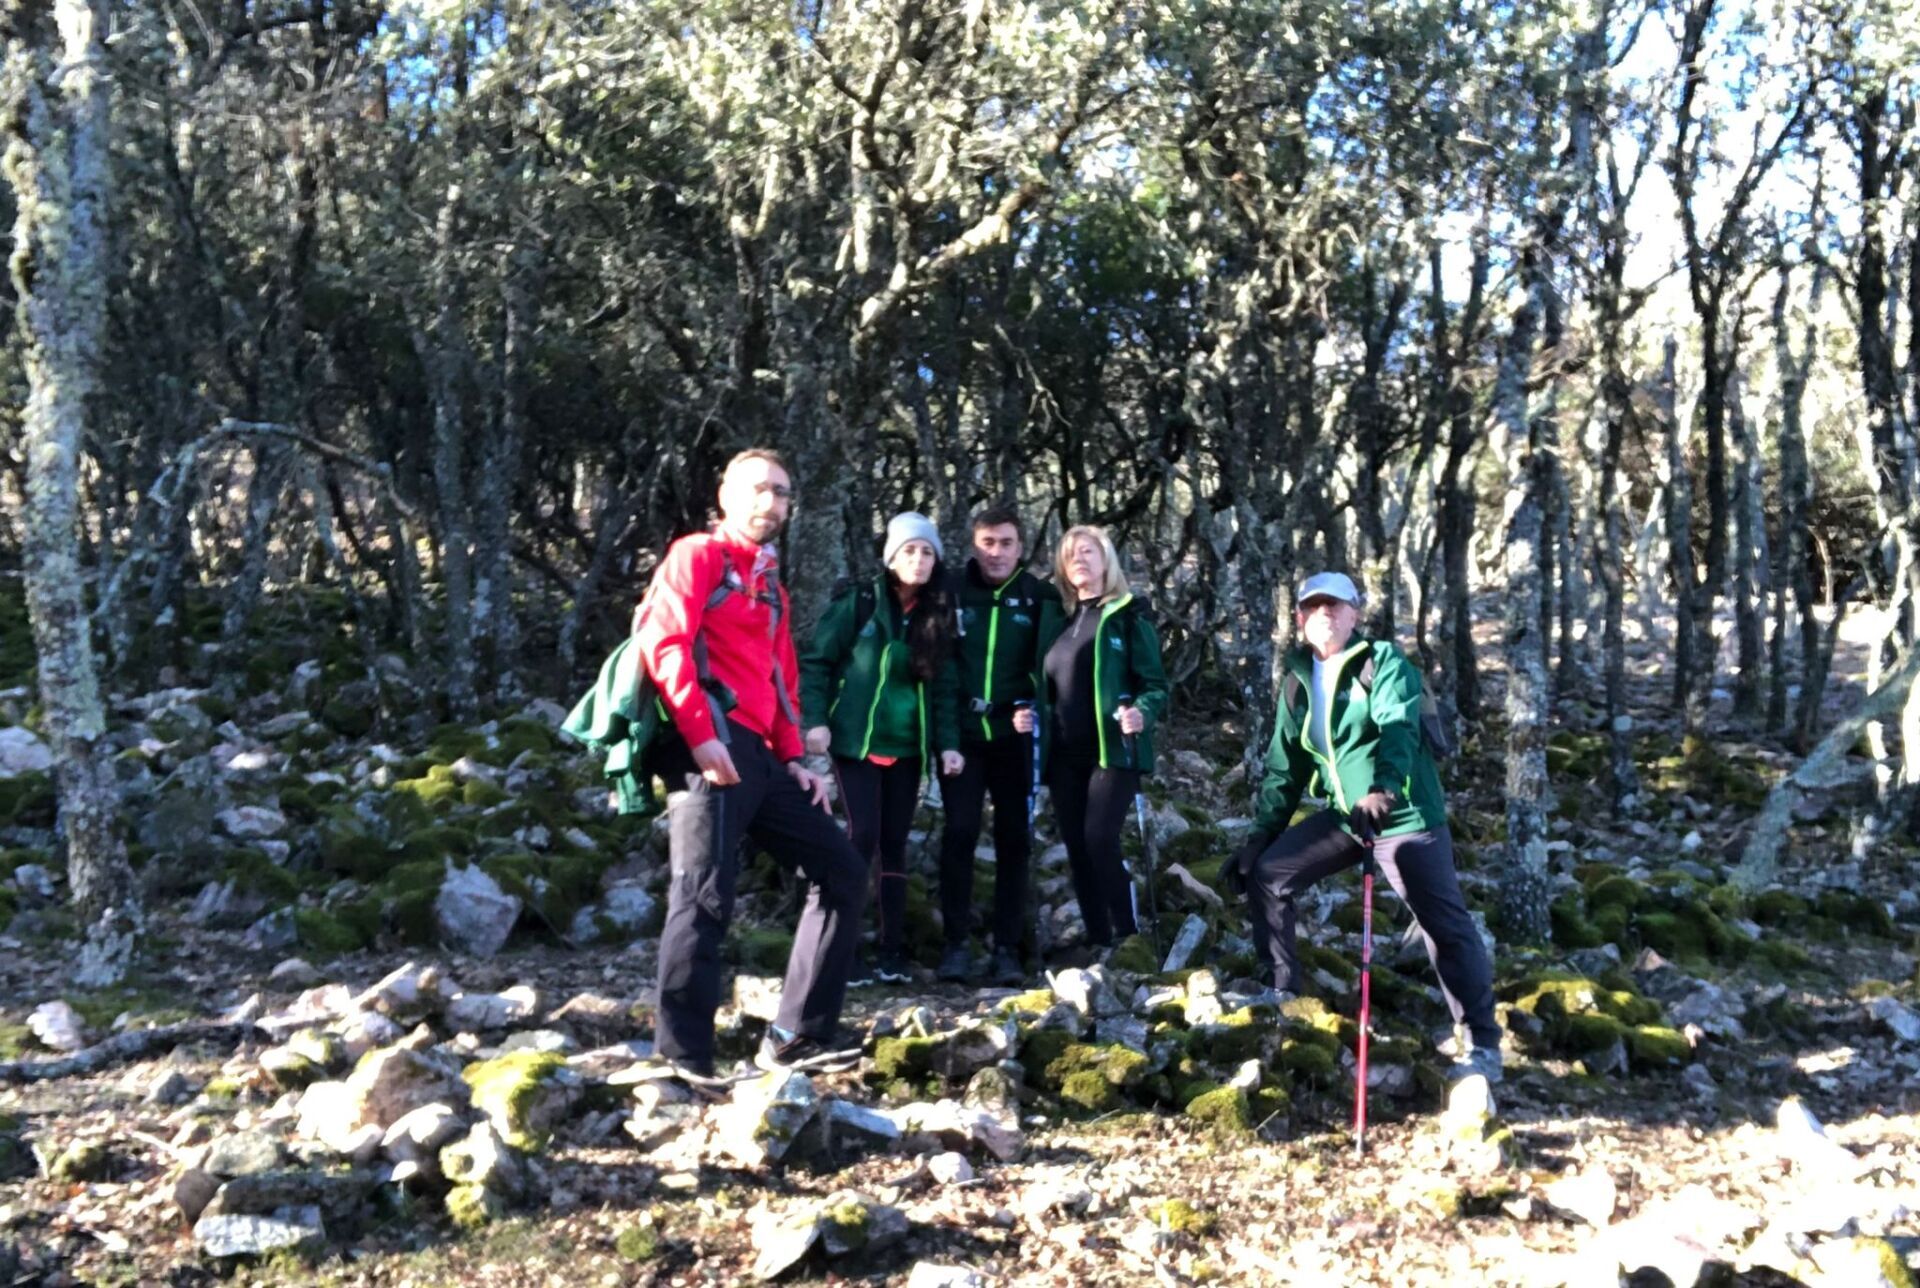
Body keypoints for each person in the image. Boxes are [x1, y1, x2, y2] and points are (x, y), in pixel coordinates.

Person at [635, 448, 868, 1077]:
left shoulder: (770, 586)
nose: (771, 502)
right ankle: (680, 1059)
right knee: (703, 893)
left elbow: (781, 681)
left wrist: (794, 759)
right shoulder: (697, 555)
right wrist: (699, 733)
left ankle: (797, 1036)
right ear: (726, 497)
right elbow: (665, 642)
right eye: (759, 489)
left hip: (761, 757)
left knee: (842, 872)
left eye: (782, 493)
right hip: (707, 743)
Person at [1229, 570, 1503, 1081]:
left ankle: (1481, 1041)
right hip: (1345, 817)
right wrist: (1261, 835)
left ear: (1355, 614)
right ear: (1299, 617)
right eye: (1314, 606)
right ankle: (1281, 994)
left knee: (1443, 923)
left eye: (1335, 605)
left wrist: (1385, 788)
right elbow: (1285, 766)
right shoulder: (1297, 680)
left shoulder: (1383, 662)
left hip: (1404, 816)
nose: (1324, 614)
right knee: (1269, 874)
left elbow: (1398, 727)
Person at [800, 512, 963, 985]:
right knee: (860, 837)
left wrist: (949, 746)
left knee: (894, 843)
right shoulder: (861, 603)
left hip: (907, 748)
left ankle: (892, 953)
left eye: (927, 552)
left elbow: (944, 688)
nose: (919, 559)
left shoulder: (938, 613)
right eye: (910, 550)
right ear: (891, 556)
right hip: (856, 743)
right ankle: (841, 950)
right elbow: (817, 661)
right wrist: (815, 720)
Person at [1035, 525, 1169, 955]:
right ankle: (1098, 939)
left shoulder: (1128, 615)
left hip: (1113, 750)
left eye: (1088, 551)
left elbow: (1155, 685)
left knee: (1099, 838)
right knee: (1077, 847)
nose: (1078, 559)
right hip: (1063, 754)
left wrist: (1141, 712)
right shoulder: (1058, 620)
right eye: (1070, 553)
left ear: (1106, 560)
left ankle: (1128, 936)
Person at [935, 506, 1051, 985]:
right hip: (963, 735)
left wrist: (1034, 707)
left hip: (1013, 737)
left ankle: (1007, 949)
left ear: (1020, 547)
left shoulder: (1038, 596)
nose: (996, 553)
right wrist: (945, 740)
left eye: (1006, 543)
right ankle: (955, 946)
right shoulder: (952, 591)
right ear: (974, 544)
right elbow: (940, 668)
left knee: (1014, 839)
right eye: (988, 542)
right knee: (959, 832)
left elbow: (1052, 663)